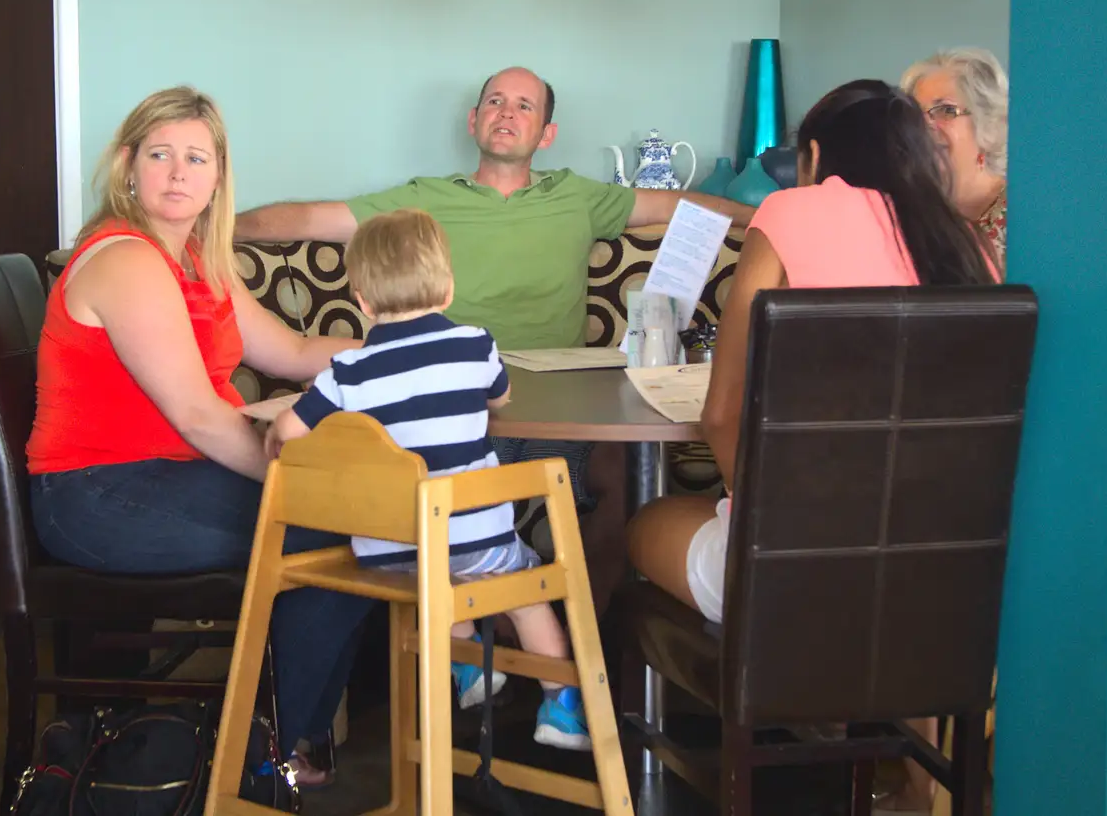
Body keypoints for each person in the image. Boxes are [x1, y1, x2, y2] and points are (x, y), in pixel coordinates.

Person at [236, 66, 755, 614]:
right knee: (402, 481)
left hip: (564, 414)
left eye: (524, 106)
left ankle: (587, 648)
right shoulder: (424, 200)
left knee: (625, 477)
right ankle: (491, 646)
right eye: (495, 102)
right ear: (474, 121)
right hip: (455, 414)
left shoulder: (579, 196)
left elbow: (680, 209)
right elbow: (313, 219)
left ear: (546, 134)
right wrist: (217, 225)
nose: (506, 112)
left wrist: (768, 216)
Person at [625, 79, 996, 813]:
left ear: (816, 154)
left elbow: (724, 412)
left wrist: (772, 534)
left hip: (804, 571)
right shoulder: (965, 246)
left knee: (641, 527)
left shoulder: (791, 211)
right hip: (941, 583)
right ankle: (919, 787)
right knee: (898, 579)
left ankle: (762, 706)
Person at [24, 86, 365, 785]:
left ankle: (277, 740)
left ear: (217, 179)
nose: (178, 173)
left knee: (349, 524)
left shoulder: (199, 262)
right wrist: (296, 483)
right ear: (128, 167)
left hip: (159, 478)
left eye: (196, 158)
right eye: (160, 155)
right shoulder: (128, 260)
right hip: (96, 494)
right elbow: (200, 416)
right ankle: (270, 756)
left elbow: (294, 352)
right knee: (334, 533)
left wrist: (401, 348)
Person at [267, 209, 591, 750]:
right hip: (476, 541)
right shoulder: (474, 344)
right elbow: (500, 397)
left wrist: (277, 439)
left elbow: (288, 430)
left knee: (431, 580)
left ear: (363, 301)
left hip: (391, 549)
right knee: (525, 593)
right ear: (446, 287)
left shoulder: (348, 371)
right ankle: (561, 707)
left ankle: (469, 668)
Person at [901, 49, 1009, 273]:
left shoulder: (1028, 216)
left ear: (989, 122)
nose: (926, 126)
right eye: (915, 115)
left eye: (946, 110)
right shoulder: (908, 217)